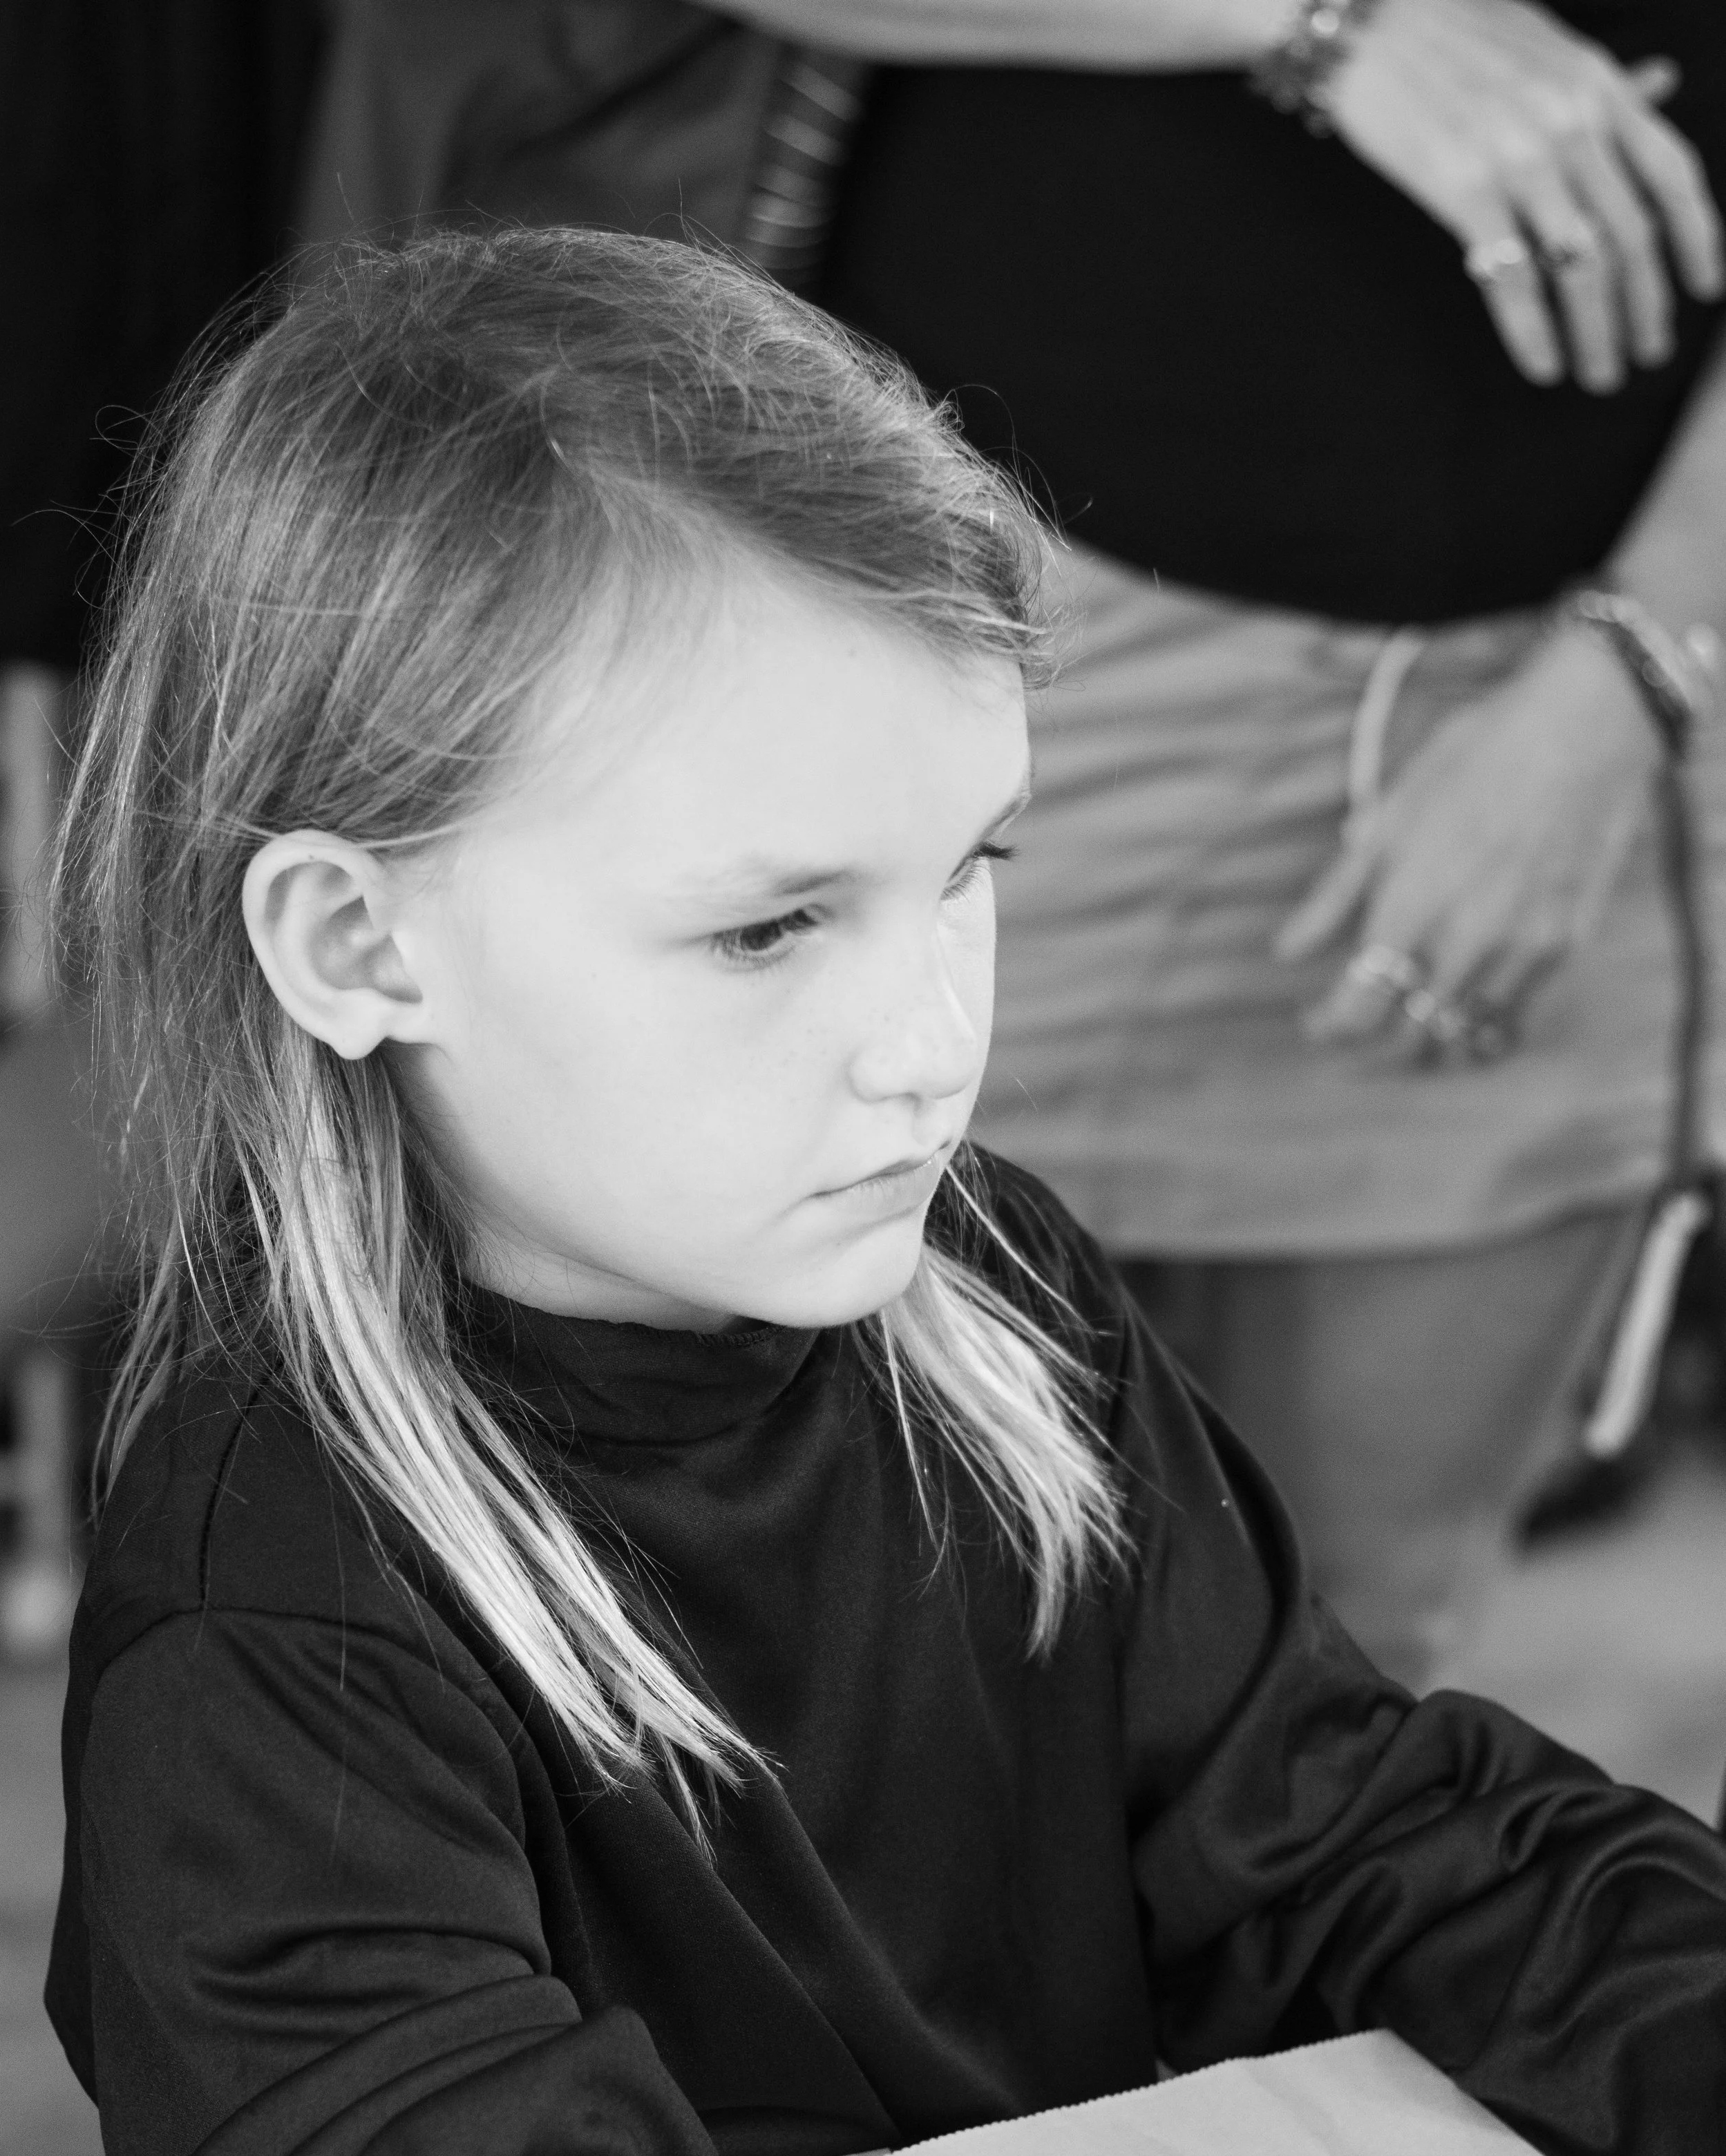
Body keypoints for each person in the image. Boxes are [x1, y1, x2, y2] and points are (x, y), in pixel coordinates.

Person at [44, 227, 1726, 2156]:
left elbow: (1362, 1841)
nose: (929, 1036)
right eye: (769, 928)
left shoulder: (992, 1291)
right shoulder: (277, 1582)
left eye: (973, 873)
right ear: (356, 943)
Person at [719, 0, 1726, 1688]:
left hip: (1569, 700)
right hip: (964, 650)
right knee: (841, 1642)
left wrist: (1619, 689)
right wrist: (1322, 26)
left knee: (1341, 1666)